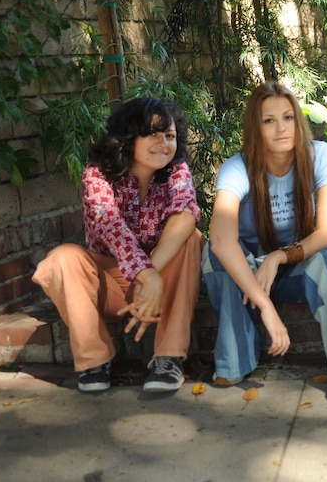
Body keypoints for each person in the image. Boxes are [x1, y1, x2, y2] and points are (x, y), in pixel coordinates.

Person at [202, 81, 327, 419]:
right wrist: (266, 308)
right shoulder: (237, 168)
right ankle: (235, 360)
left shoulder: (320, 156)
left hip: (297, 264)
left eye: (288, 117)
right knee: (216, 254)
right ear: (254, 127)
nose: (281, 128)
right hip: (249, 271)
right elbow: (221, 239)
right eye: (268, 120)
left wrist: (279, 256)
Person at [32, 97, 203, 393]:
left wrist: (150, 273)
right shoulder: (97, 175)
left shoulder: (177, 171)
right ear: (127, 138)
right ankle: (94, 361)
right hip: (109, 286)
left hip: (161, 285)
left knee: (190, 237)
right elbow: (111, 227)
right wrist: (144, 274)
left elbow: (186, 214)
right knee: (60, 259)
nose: (163, 143)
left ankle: (169, 357)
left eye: (170, 135)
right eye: (152, 133)